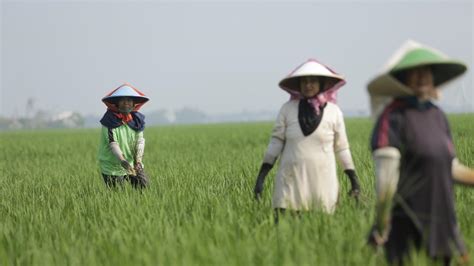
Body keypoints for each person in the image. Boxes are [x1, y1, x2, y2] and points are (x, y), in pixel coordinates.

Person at [367, 40, 474, 265]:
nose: (422, 76)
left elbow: (450, 166)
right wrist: (381, 222)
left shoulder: (437, 115)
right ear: (402, 78)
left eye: (426, 71)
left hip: (442, 219)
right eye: (414, 72)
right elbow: (386, 175)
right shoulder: (393, 117)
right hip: (407, 222)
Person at [253, 59, 361, 220]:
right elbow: (275, 143)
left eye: (312, 81)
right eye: (304, 81)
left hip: (323, 184)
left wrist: (354, 180)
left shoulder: (334, 112)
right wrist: (261, 178)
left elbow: (342, 148)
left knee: (319, 231)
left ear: (322, 84)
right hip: (290, 184)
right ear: (298, 85)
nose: (308, 85)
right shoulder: (287, 109)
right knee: (283, 230)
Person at [98, 83, 150, 189]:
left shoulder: (136, 120)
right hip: (112, 166)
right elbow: (113, 144)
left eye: (129, 100)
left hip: (133, 163)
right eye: (123, 100)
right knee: (117, 195)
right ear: (117, 103)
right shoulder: (109, 121)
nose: (126, 103)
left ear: (134, 104)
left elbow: (140, 141)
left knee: (144, 188)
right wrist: (122, 161)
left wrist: (138, 161)